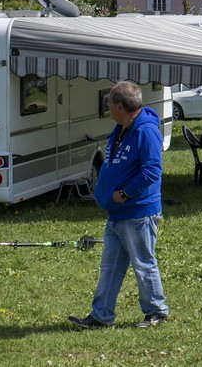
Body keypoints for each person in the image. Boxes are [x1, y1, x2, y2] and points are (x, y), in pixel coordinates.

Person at [70, 81, 169, 329]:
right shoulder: (122, 127)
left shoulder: (145, 130)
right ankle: (101, 315)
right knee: (110, 266)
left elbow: (152, 170)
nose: (107, 106)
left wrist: (124, 194)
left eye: (109, 102)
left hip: (137, 212)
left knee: (143, 264)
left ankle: (156, 312)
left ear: (121, 106)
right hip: (117, 213)